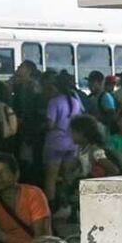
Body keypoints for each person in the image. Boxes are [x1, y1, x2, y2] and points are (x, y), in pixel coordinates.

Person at [43, 72, 84, 204]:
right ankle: (67, 202)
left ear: (56, 86)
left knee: (51, 177)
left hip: (55, 142)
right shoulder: (75, 102)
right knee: (67, 176)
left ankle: (52, 204)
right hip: (72, 142)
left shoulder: (54, 102)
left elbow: (50, 124)